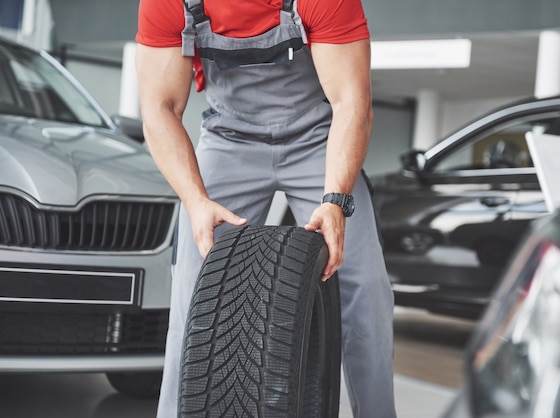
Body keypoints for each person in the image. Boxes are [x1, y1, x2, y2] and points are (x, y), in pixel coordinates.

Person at [134, 0, 397, 416]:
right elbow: (159, 109)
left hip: (316, 139)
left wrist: (335, 199)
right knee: (192, 291)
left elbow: (352, 101)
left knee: (366, 290)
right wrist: (196, 200)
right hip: (228, 139)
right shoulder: (170, 3)